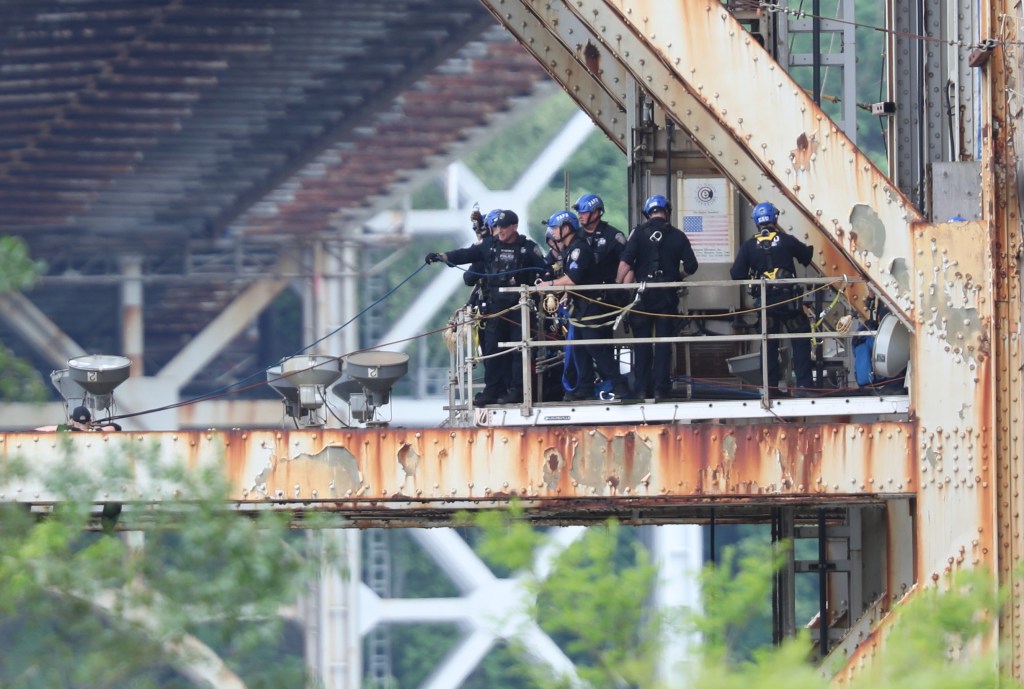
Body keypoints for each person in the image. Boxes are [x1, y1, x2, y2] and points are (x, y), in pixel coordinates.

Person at [426, 210, 548, 405]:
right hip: (493, 309)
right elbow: (467, 254)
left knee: (519, 351)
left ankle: (517, 391)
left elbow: (545, 271)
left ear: (514, 227)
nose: (499, 230)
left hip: (519, 309)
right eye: (497, 227)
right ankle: (492, 391)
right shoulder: (488, 245)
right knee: (490, 351)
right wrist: (442, 256)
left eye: (503, 227)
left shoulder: (528, 248)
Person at [616, 194, 699, 400]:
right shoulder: (678, 236)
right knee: (663, 344)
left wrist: (617, 285)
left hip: (642, 297)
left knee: (642, 343)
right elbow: (692, 266)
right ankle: (662, 388)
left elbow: (625, 262)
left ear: (648, 214)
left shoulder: (638, 234)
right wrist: (676, 276)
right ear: (667, 212)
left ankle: (643, 388)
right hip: (667, 297)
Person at [546, 197, 629, 401]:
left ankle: (620, 385)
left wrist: (547, 287)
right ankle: (583, 387)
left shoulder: (579, 248)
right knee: (580, 348)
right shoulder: (572, 247)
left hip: (595, 303)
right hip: (581, 304)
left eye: (556, 228)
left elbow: (574, 278)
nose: (553, 232)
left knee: (596, 347)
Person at [729, 201, 815, 396]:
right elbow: (806, 256)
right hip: (789, 303)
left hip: (766, 305)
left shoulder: (749, 246)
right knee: (800, 336)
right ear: (774, 218)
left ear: (757, 222)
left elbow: (736, 274)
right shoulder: (786, 240)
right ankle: (804, 386)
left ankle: (771, 389)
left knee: (768, 343)